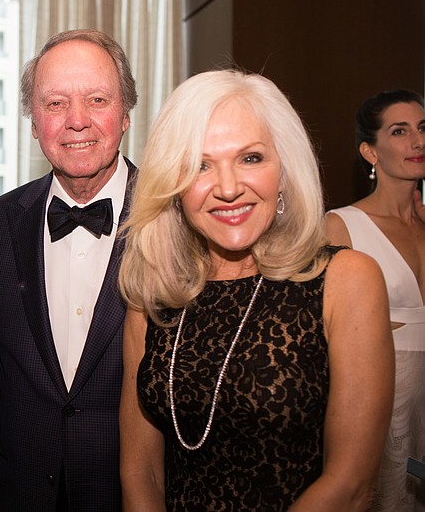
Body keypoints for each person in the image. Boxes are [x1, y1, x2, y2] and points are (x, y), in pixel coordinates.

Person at [119, 69, 394, 511]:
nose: (228, 188)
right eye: (200, 165)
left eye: (250, 158)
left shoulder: (348, 280)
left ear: (284, 170)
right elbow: (140, 472)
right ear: (174, 186)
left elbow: (352, 483)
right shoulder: (154, 295)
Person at [0, 29, 137, 511]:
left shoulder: (175, 218)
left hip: (132, 491)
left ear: (126, 113)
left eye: (96, 99)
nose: (77, 121)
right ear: (33, 122)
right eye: (54, 104)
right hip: (20, 490)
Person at [326, 89, 425, 511]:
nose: (417, 142)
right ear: (370, 150)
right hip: (382, 401)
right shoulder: (341, 226)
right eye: (399, 131)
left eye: (423, 129)